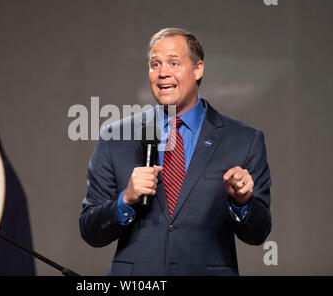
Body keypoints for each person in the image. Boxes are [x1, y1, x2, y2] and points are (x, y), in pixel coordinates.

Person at [80, 28, 272, 275]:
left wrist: (242, 202)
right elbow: (91, 231)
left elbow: (258, 233)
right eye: (155, 64)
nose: (162, 73)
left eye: (173, 62)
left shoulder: (244, 139)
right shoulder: (115, 138)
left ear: (198, 69)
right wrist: (125, 200)